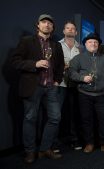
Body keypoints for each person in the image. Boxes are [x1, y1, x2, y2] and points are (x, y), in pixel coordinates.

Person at [11, 14, 64, 163]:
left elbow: (60, 65)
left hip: (50, 87)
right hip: (32, 87)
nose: (47, 25)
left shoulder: (56, 45)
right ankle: (29, 152)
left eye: (50, 23)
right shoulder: (27, 41)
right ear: (38, 25)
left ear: (52, 28)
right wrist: (34, 64)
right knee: (30, 119)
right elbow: (15, 61)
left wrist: (57, 81)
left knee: (55, 118)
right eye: (44, 22)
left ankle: (45, 149)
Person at [69, 33, 104, 153]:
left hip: (101, 94)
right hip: (84, 94)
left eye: (95, 42)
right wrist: (82, 78)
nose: (93, 44)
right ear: (85, 44)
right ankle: (89, 143)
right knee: (86, 119)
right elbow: (71, 73)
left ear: (98, 45)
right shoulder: (78, 58)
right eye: (90, 42)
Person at [57, 20, 82, 150]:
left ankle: (74, 139)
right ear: (64, 31)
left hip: (75, 85)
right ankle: (54, 142)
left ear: (76, 32)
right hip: (60, 84)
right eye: (68, 28)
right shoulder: (57, 45)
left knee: (74, 113)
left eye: (73, 28)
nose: (70, 30)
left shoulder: (80, 48)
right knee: (56, 114)